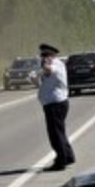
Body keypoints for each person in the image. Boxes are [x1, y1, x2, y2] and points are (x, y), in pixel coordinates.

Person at [37, 43, 75, 172]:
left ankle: (60, 161)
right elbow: (46, 80)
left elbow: (49, 70)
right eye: (42, 55)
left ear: (52, 55)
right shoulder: (51, 65)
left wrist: (45, 64)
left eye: (45, 55)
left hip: (55, 104)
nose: (43, 57)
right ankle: (68, 156)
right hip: (53, 103)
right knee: (60, 132)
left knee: (55, 134)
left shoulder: (56, 64)